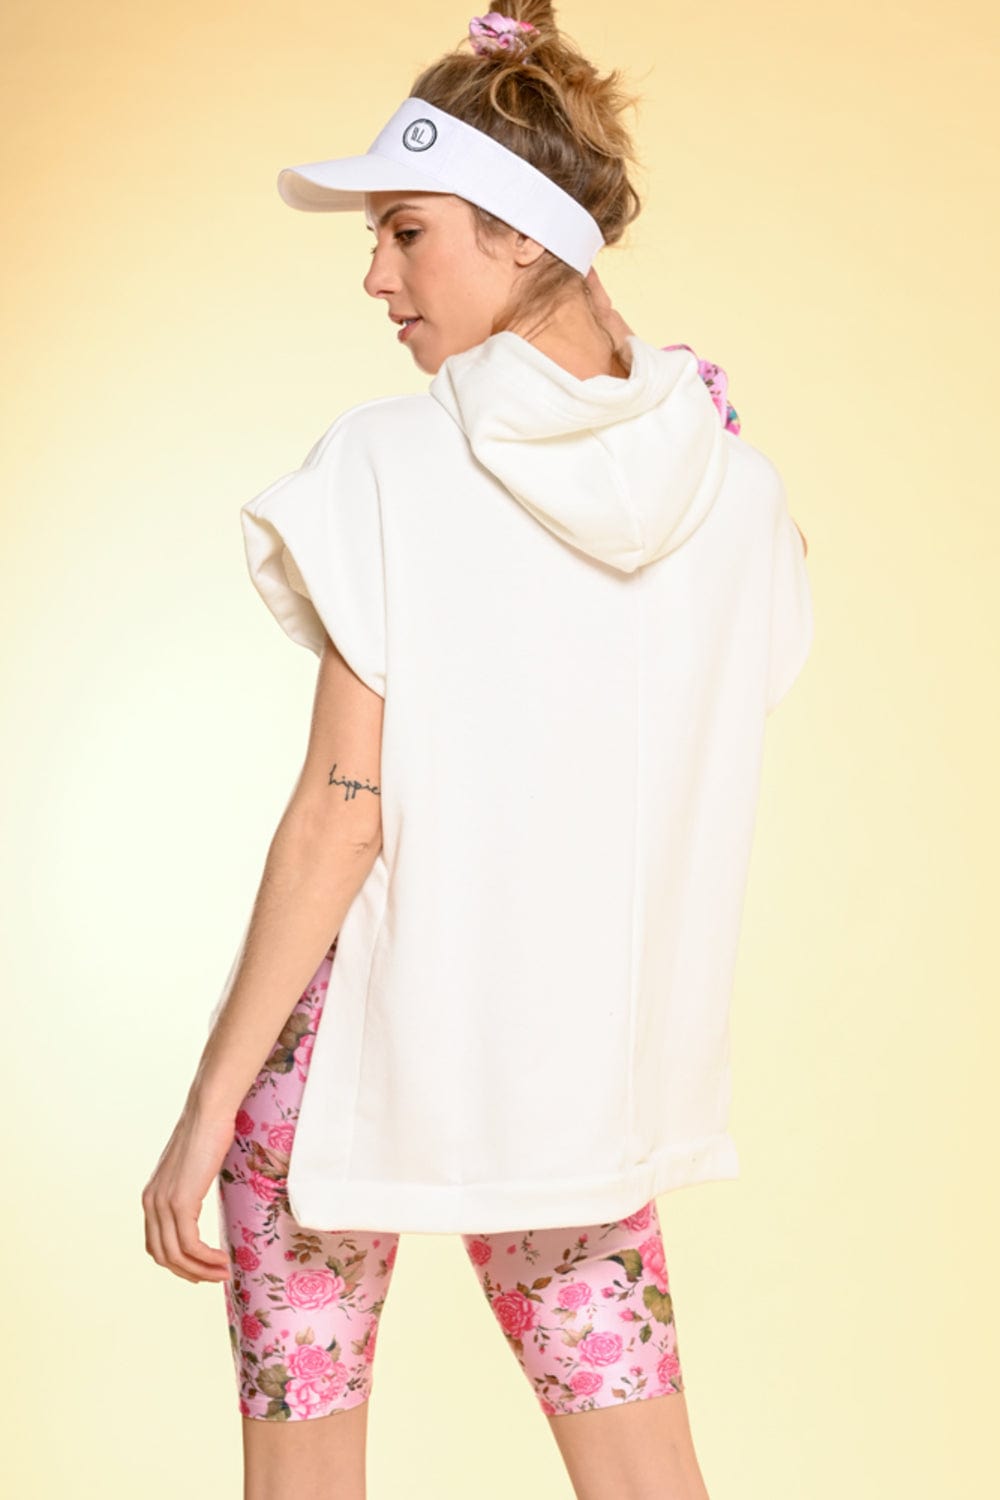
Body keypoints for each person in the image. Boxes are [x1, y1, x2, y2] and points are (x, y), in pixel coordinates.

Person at [141, 7, 813, 1499]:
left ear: (520, 234)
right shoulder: (739, 487)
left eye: (406, 233)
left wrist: (205, 1108)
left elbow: (344, 810)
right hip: (580, 1082)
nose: (375, 279)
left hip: (355, 1061)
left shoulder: (391, 462)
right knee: (648, 1479)